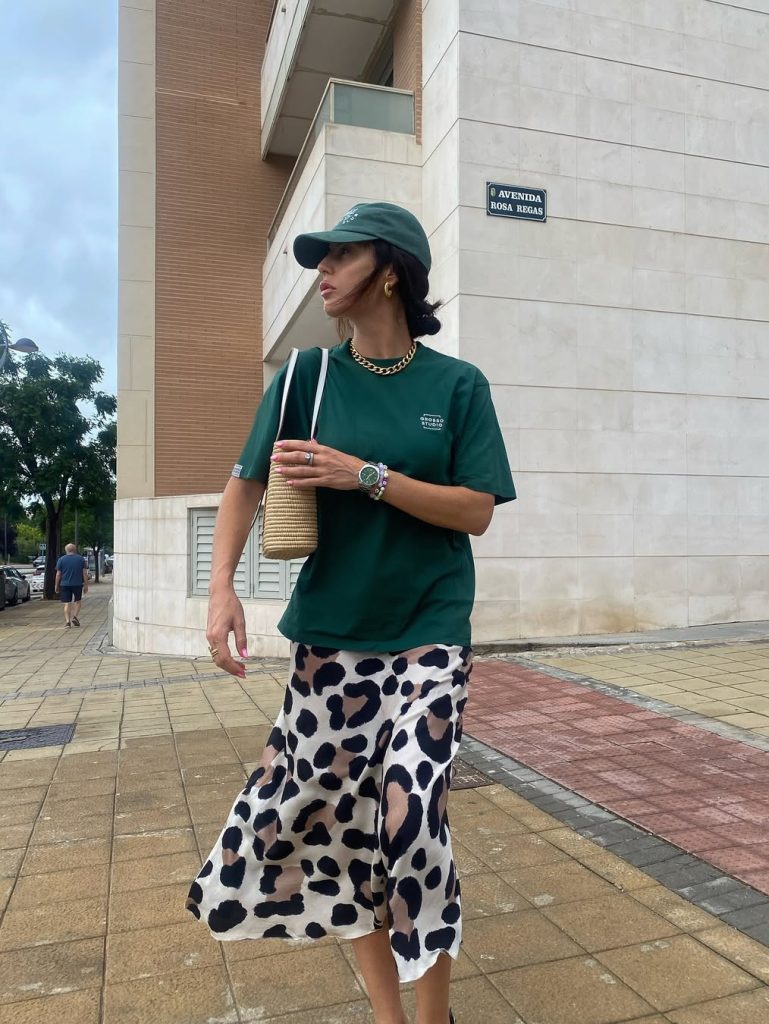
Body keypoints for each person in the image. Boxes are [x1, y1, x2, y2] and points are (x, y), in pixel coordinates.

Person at [185, 202, 516, 1024]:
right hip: (331, 641)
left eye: (340, 256)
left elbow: (476, 510)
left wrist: (365, 475)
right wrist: (221, 588)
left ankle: (431, 1016)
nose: (322, 271)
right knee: (341, 832)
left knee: (412, 816)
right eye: (318, 259)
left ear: (391, 270)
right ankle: (388, 1017)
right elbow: (244, 484)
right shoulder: (305, 377)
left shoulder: (457, 385)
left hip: (429, 631)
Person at [55, 543, 89, 627]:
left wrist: (56, 585)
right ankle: (75, 617)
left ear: (66, 550)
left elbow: (58, 574)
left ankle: (67, 622)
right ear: (75, 550)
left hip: (65, 584)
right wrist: (86, 585)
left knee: (67, 603)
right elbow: (84, 573)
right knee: (78, 601)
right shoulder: (81, 559)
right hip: (77, 584)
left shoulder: (61, 560)